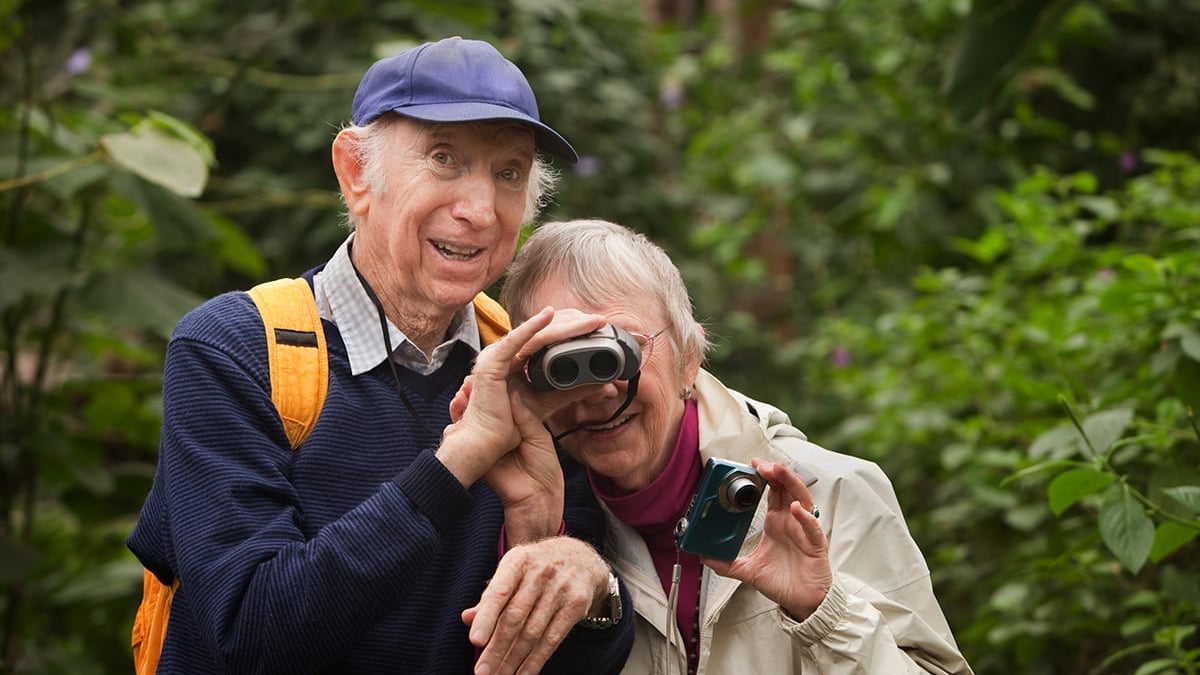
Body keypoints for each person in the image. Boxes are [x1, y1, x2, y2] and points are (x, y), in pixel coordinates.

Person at [126, 39, 633, 674]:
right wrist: (458, 460)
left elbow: (580, 663)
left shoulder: (536, 363)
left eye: (509, 173)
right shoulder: (235, 349)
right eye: (444, 159)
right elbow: (250, 633)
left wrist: (580, 572)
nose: (479, 211)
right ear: (356, 173)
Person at [494, 218, 975, 674]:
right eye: (563, 364)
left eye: (620, 350)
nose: (599, 389)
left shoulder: (832, 494)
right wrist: (536, 531)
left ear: (689, 358)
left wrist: (823, 612)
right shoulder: (540, 516)